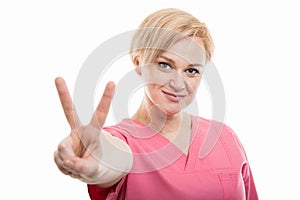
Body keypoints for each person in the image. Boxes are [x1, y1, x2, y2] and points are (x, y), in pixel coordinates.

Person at [54, 8, 259, 200]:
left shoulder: (225, 138)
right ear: (138, 63)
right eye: (165, 65)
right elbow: (113, 158)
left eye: (192, 70)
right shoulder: (121, 141)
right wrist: (98, 162)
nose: (178, 84)